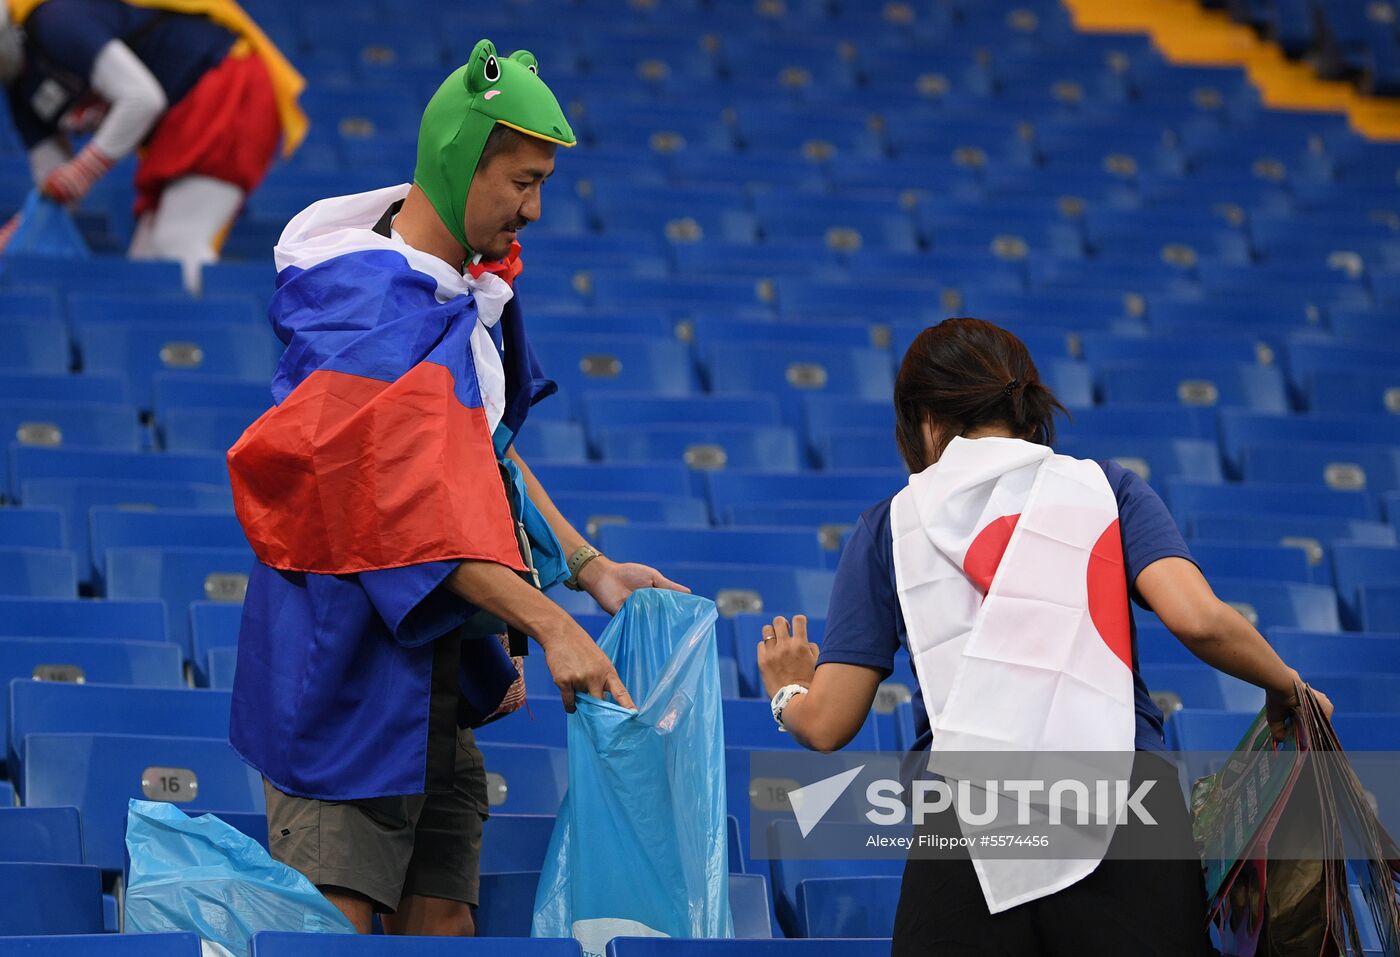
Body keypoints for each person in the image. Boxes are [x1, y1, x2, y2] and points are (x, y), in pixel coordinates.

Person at [225, 40, 687, 937]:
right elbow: (404, 515)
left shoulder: (463, 298)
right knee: (339, 923)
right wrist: (549, 626)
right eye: (522, 180)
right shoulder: (361, 309)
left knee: (444, 923)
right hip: (344, 678)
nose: (536, 208)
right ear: (457, 160)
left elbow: (480, 458)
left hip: (434, 677)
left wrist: (589, 567)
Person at [755, 317, 1334, 956]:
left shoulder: (887, 527)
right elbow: (1197, 618)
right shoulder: (1107, 490)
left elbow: (828, 724)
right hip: (1124, 809)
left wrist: (788, 691)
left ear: (924, 421)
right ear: (1024, 406)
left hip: (966, 829)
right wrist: (1288, 687)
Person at [0, 0, 306, 290]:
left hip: (224, 83)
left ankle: (254, 338)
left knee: (177, 244)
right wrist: (20, 227)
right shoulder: (20, 91)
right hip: (176, 120)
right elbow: (57, 186)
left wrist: (84, 170)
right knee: (146, 266)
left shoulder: (55, 21)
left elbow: (142, 99)